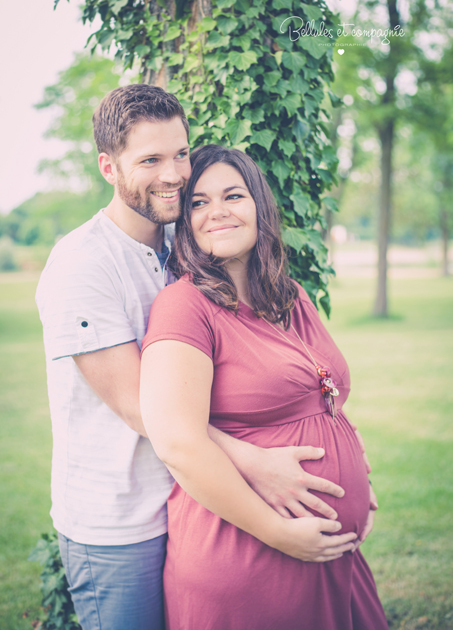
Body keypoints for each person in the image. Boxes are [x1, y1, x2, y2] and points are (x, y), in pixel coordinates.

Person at [35, 84, 370, 630]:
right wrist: (259, 465)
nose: (173, 174)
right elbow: (143, 412)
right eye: (150, 160)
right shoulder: (82, 265)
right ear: (108, 167)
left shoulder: (183, 247)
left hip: (190, 504)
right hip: (121, 525)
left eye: (180, 154)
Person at [140, 144, 388, 630]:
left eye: (233, 195)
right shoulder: (184, 306)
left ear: (260, 206)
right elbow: (178, 443)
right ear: (185, 220)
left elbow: (325, 397)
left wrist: (357, 473)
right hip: (248, 556)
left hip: (332, 555)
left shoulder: (290, 295)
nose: (217, 212)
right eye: (198, 202)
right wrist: (280, 533)